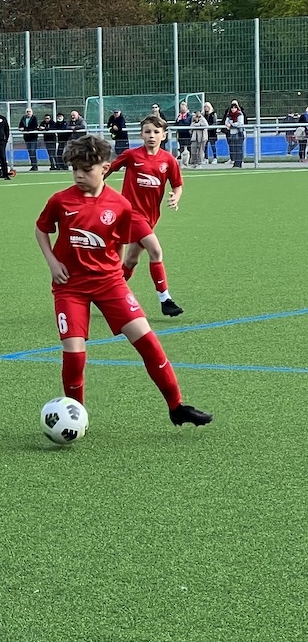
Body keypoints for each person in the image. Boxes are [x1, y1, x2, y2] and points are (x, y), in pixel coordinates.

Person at [34, 135, 212, 428]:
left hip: (109, 284)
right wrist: (53, 263)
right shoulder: (60, 200)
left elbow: (123, 241)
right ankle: (75, 417)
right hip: (70, 287)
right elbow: (41, 230)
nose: (79, 175)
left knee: (149, 343)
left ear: (105, 168)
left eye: (86, 169)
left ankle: (177, 406)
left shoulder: (120, 205)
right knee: (75, 355)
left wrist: (118, 270)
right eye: (74, 169)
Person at [107, 116, 185, 317]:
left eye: (156, 132)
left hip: (151, 216)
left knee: (131, 259)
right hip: (130, 214)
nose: (152, 135)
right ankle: (165, 299)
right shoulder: (131, 155)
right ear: (141, 134)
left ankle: (109, 294)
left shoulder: (168, 160)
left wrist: (175, 197)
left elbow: (177, 185)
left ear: (164, 136)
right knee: (156, 251)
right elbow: (108, 169)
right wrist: (94, 187)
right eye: (147, 131)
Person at [225, 99, 246, 168]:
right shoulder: (229, 115)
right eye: (232, 108)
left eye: (234, 108)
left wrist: (232, 125)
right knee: (234, 148)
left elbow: (240, 123)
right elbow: (226, 122)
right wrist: (229, 124)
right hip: (232, 133)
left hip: (239, 133)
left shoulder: (240, 114)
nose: (233, 109)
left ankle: (239, 163)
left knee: (238, 148)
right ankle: (235, 163)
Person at [18, 107, 40, 171]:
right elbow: (20, 126)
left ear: (32, 112)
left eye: (29, 111)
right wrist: (21, 129)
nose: (28, 113)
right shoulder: (23, 118)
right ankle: (33, 165)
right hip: (27, 138)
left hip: (33, 137)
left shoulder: (34, 118)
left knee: (33, 151)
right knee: (30, 151)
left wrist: (24, 129)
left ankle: (35, 165)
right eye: (27, 112)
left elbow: (33, 127)